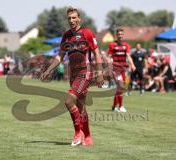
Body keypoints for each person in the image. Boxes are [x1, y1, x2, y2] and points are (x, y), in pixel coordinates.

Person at [41, 6, 104, 146]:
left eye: (74, 17)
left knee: (69, 101)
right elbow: (60, 56)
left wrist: (99, 74)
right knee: (80, 107)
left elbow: (97, 54)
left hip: (85, 73)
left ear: (79, 18)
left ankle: (77, 133)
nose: (71, 20)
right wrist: (49, 70)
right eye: (69, 18)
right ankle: (87, 136)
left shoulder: (87, 33)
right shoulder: (66, 35)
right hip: (73, 75)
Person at [107, 28, 136, 112]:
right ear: (116, 35)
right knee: (121, 86)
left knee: (119, 88)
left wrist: (132, 64)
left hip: (123, 68)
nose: (120, 36)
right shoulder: (112, 45)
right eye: (118, 34)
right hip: (115, 68)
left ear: (123, 35)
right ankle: (121, 106)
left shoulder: (126, 45)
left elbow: (128, 55)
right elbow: (109, 57)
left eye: (121, 34)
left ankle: (114, 106)